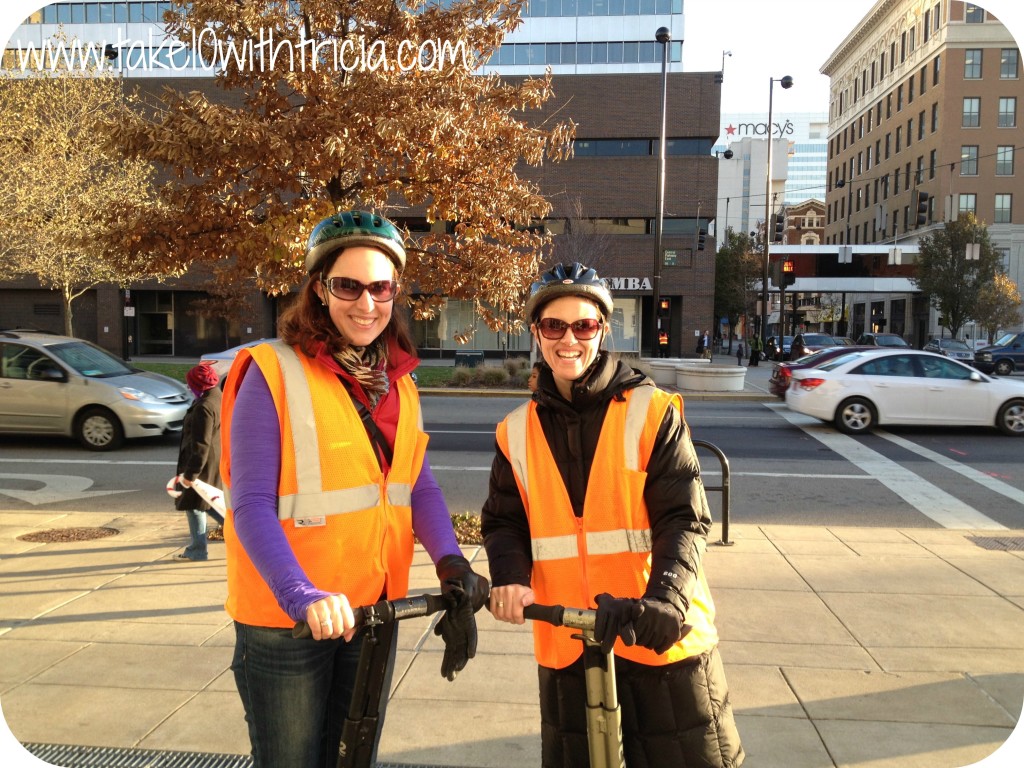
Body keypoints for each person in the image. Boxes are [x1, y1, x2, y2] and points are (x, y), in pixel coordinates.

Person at [220, 210, 489, 768]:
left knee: (352, 758)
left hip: (372, 612)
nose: (367, 304)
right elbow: (248, 506)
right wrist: (303, 596)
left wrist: (451, 562)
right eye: (348, 286)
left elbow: (417, 485)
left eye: (381, 287)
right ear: (319, 289)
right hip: (288, 622)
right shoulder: (274, 371)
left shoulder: (401, 383)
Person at [482, 262, 743, 768]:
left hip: (655, 637)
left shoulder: (652, 411)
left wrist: (666, 601)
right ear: (536, 333)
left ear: (603, 329)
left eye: (584, 325)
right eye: (554, 326)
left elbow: (684, 519)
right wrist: (510, 577)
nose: (569, 340)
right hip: (569, 643)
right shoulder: (514, 430)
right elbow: (503, 521)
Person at [174, 363, 224, 561]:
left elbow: (201, 444)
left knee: (194, 504)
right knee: (209, 504)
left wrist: (190, 475)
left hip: (202, 464)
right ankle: (244, 537)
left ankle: (197, 550)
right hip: (214, 460)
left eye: (190, 384)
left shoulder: (204, 407)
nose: (188, 387)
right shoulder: (217, 397)